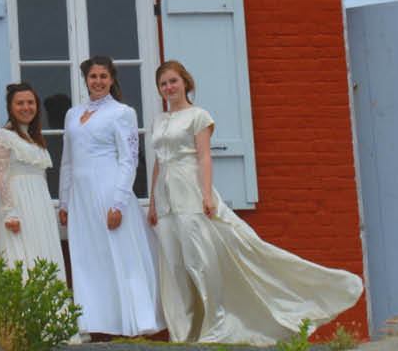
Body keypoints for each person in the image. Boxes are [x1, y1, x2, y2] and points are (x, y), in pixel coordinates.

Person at [145, 61, 364, 344]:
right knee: (173, 268)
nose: (169, 88)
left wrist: (207, 194)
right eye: (163, 84)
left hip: (191, 191)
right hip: (165, 199)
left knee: (198, 261)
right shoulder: (158, 121)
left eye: (173, 81)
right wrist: (152, 202)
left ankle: (216, 325)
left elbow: (204, 157)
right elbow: (157, 163)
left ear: (185, 83)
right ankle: (182, 334)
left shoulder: (199, 116)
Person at [60, 55, 161, 338]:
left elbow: (129, 160)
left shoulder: (122, 112)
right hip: (80, 197)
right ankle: (93, 322)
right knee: (88, 258)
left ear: (112, 79)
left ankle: (134, 322)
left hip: (109, 191)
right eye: (93, 76)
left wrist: (118, 202)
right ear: (86, 79)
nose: (98, 81)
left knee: (120, 255)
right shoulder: (72, 114)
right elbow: (68, 160)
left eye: (104, 76)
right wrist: (65, 200)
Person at [0, 82, 65, 276]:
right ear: (10, 108)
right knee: (22, 255)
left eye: (30, 103)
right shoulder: (2, 136)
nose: (26, 107)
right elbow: (1, 175)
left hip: (40, 205)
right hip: (18, 205)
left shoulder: (34, 139)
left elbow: (41, 177)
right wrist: (10, 212)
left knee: (43, 252)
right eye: (20, 103)